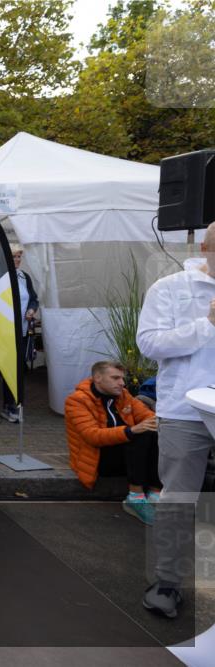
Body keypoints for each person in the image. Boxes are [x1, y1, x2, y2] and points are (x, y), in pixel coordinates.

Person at [137, 221, 215, 619]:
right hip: (186, 411)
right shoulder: (169, 288)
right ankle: (167, 583)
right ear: (205, 246)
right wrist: (207, 324)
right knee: (179, 499)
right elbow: (149, 343)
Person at [64, 361, 161, 524]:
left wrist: (149, 424)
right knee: (139, 435)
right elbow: (92, 436)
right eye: (115, 378)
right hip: (96, 460)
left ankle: (155, 494)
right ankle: (135, 498)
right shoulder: (77, 400)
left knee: (153, 432)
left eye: (122, 378)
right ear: (98, 378)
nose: (122, 383)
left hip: (126, 455)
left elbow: (147, 415)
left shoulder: (123, 395)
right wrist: (131, 431)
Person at [0, 244, 39, 424]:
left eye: (19, 257)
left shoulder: (24, 277)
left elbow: (33, 298)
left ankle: (9, 404)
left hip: (19, 332)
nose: (17, 260)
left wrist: (31, 309)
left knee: (15, 370)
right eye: (14, 256)